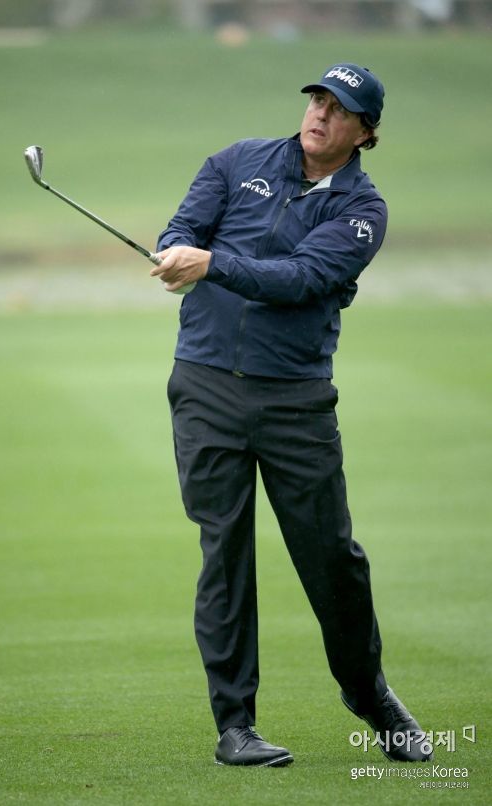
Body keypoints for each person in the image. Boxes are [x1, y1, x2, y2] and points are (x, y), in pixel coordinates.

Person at [151, 63, 432, 767]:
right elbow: (184, 224)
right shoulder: (236, 161)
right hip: (205, 384)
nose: (320, 115)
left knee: (332, 558)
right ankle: (235, 727)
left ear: (365, 132)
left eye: (339, 109)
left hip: (294, 399)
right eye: (317, 100)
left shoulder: (362, 211)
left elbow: (303, 278)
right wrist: (176, 248)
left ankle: (369, 694)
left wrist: (211, 264)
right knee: (225, 552)